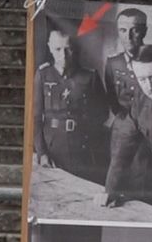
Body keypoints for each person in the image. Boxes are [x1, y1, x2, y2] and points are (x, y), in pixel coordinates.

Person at [105, 45, 152, 214]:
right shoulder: (141, 98)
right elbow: (123, 148)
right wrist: (110, 190)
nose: (149, 87)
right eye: (141, 79)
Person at [36, 24, 108, 183]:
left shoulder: (90, 76)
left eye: (68, 49)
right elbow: (34, 119)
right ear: (49, 48)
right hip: (53, 148)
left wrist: (85, 130)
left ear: (75, 49)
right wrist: (42, 153)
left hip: (83, 148)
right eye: (58, 49)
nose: (63, 55)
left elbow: (102, 113)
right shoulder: (43, 75)